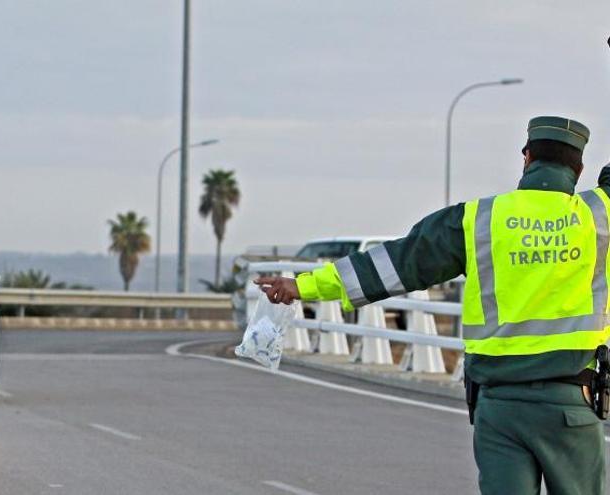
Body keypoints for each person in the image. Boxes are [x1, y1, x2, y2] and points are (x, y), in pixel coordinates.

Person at [256, 116, 609, 494]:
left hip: (499, 408)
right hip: (571, 405)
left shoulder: (478, 220)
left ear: (526, 158)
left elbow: (395, 263)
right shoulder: (599, 216)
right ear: (579, 168)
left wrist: (304, 286)